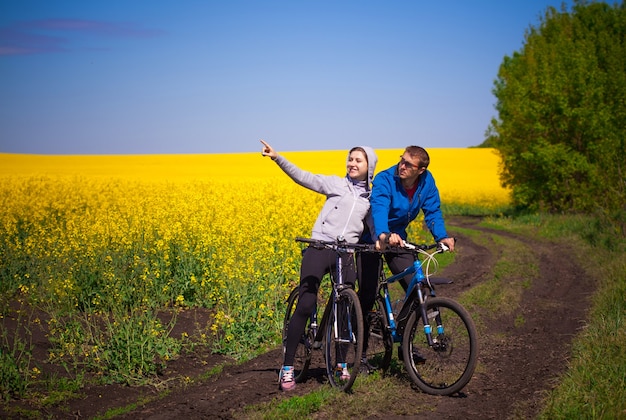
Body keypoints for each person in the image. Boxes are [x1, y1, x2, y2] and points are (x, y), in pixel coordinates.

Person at [261, 139, 378, 392]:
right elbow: (305, 177)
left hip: (345, 253)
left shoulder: (370, 199)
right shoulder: (336, 184)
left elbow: (375, 227)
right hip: (319, 247)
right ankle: (288, 365)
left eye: (358, 160)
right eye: (350, 159)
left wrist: (384, 239)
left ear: (370, 167)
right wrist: (277, 157)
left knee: (346, 310)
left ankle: (340, 364)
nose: (352, 163)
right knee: (306, 303)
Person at [358, 145, 455, 368]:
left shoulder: (427, 182)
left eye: (408, 164)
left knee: (416, 288)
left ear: (420, 170)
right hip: (372, 237)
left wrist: (442, 236)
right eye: (401, 160)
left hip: (398, 239)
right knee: (367, 294)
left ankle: (405, 343)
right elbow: (379, 208)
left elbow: (433, 212)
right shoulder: (385, 179)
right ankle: (360, 355)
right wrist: (383, 234)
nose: (401, 166)